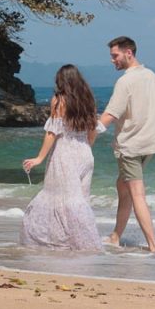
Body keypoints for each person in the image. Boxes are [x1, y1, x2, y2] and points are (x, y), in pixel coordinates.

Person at [20, 64, 106, 250]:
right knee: (79, 201)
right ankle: (77, 243)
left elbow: (52, 132)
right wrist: (85, 148)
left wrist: (39, 158)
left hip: (64, 154)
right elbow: (93, 131)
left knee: (58, 200)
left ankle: (80, 244)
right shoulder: (89, 100)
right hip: (85, 154)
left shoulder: (59, 100)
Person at [98, 36, 155, 252]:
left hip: (130, 147)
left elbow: (110, 114)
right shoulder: (153, 76)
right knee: (123, 186)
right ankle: (116, 235)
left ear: (129, 53)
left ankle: (153, 246)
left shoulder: (125, 81)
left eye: (115, 55)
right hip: (150, 145)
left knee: (136, 192)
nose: (112, 60)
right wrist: (148, 127)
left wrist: (90, 132)